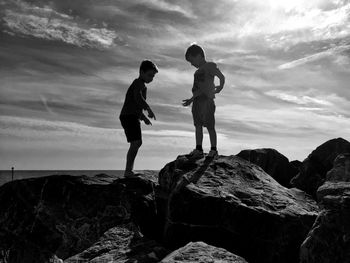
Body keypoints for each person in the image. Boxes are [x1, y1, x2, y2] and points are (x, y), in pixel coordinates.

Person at [182, 44, 225, 158]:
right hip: (197, 102)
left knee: (210, 126)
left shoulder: (210, 66)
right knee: (198, 126)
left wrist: (220, 86)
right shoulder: (196, 72)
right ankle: (199, 149)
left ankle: (213, 149)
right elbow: (198, 90)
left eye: (192, 60)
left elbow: (221, 76)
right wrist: (191, 100)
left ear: (199, 56)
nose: (191, 64)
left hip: (207, 100)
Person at [119, 60, 158, 177]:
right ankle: (128, 171)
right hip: (128, 116)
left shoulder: (142, 86)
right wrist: (148, 109)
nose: (151, 78)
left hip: (132, 116)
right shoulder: (138, 83)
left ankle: (129, 170)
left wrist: (144, 118)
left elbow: (136, 105)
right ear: (141, 72)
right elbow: (137, 98)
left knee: (137, 143)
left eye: (153, 76)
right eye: (150, 75)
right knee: (136, 142)